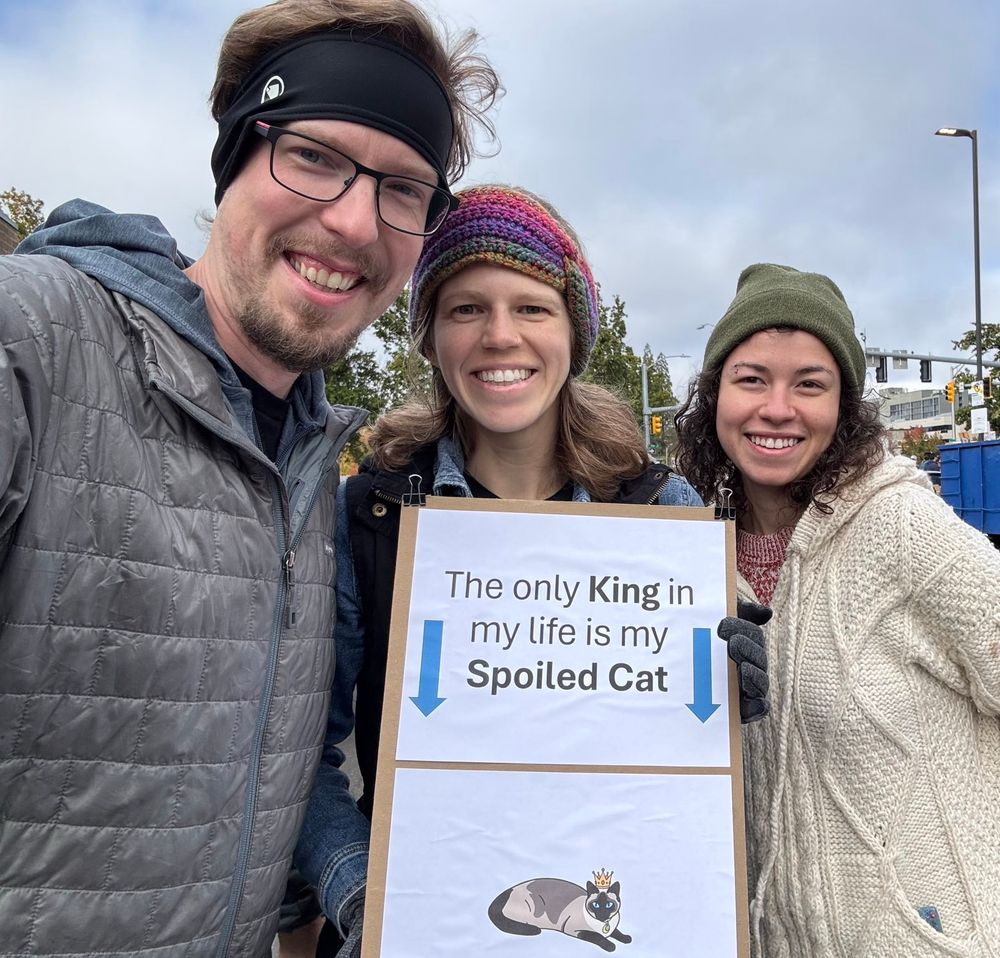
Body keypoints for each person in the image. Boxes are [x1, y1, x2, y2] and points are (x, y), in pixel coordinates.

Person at [0, 3, 500, 955]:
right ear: (235, 152)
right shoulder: (31, 343)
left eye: (403, 189)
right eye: (313, 155)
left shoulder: (318, 475)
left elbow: (273, 776)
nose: (354, 221)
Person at [293, 185, 772, 956]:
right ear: (431, 337)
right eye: (466, 309)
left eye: (532, 308)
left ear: (573, 334)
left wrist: (732, 690)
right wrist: (370, 899)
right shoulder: (370, 514)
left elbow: (695, 774)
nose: (499, 335)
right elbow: (304, 759)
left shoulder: (660, 511)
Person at [675, 263, 1000, 957]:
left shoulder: (906, 528)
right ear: (715, 397)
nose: (777, 408)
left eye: (809, 384)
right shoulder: (692, 549)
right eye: (752, 378)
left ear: (844, 406)